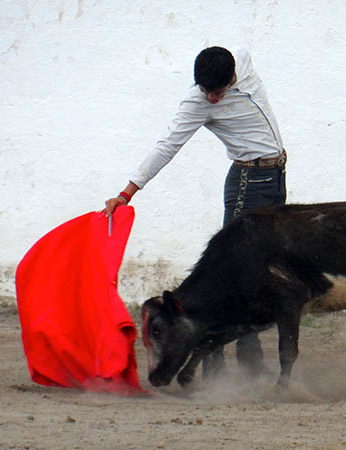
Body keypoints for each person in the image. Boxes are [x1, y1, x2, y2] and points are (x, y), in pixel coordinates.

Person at [104, 46, 287, 379]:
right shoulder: (196, 102)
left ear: (232, 78)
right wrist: (127, 192)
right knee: (236, 274)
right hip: (248, 180)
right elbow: (167, 145)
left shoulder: (244, 60)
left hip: (274, 178)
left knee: (261, 274)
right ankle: (222, 363)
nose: (211, 99)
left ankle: (234, 359)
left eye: (216, 92)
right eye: (206, 91)